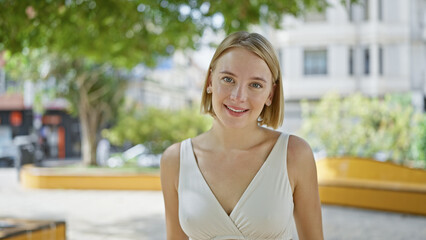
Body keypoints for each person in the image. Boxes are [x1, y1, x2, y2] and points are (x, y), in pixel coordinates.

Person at [161, 31, 323, 240]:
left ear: (270, 94)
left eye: (255, 85)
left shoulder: (295, 154)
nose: (238, 96)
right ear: (210, 81)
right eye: (228, 79)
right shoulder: (175, 160)